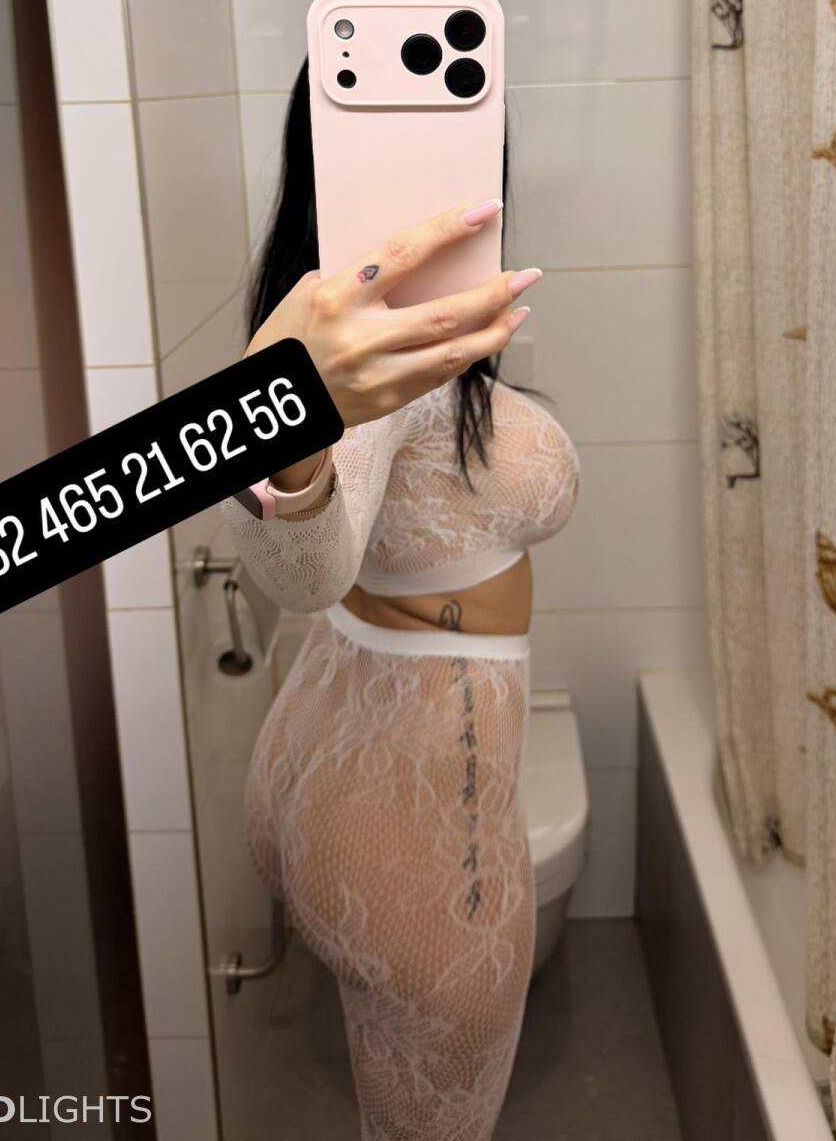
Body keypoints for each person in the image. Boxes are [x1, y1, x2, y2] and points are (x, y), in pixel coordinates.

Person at [220, 58, 580, 1141]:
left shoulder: (378, 330)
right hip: (411, 828)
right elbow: (305, 571)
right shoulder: (358, 353)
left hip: (341, 744)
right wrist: (286, 435)